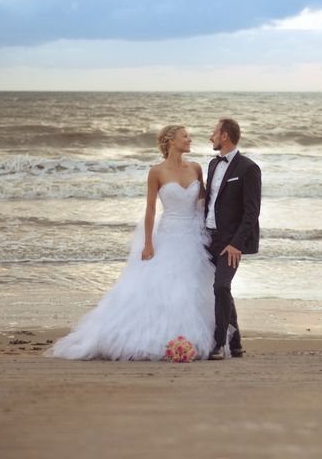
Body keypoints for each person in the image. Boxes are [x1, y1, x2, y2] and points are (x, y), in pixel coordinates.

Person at [45, 125, 215, 360]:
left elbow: (203, 204)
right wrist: (148, 243)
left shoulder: (196, 168)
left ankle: (189, 340)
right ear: (170, 141)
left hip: (193, 238)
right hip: (167, 235)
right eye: (184, 136)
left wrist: (209, 233)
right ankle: (154, 338)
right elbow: (150, 210)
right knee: (161, 289)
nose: (189, 139)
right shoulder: (156, 172)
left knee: (190, 289)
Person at [205, 118, 261, 360]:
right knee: (221, 288)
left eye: (214, 132)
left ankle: (219, 344)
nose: (211, 137)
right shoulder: (211, 165)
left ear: (225, 136)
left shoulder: (249, 168)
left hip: (231, 242)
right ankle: (236, 342)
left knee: (221, 286)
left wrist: (237, 243)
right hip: (208, 239)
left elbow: (252, 212)